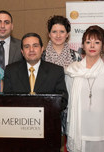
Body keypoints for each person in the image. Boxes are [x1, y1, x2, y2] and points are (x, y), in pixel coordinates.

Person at [65, 25, 104, 152]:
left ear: (103, 46)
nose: (92, 46)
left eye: (97, 42)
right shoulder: (72, 70)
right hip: (78, 130)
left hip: (100, 131)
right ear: (83, 46)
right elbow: (68, 101)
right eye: (88, 42)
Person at [43, 15, 82, 152]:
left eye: (62, 31)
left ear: (67, 34)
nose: (58, 35)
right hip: (47, 108)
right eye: (54, 31)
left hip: (71, 107)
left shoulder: (76, 57)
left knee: (72, 146)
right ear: (49, 34)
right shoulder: (41, 56)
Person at [4, 32, 68, 103]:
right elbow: (7, 100)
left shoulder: (56, 71)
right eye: (27, 46)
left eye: (35, 46)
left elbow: (63, 100)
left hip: (47, 113)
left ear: (42, 49)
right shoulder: (11, 71)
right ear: (22, 51)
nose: (31, 50)